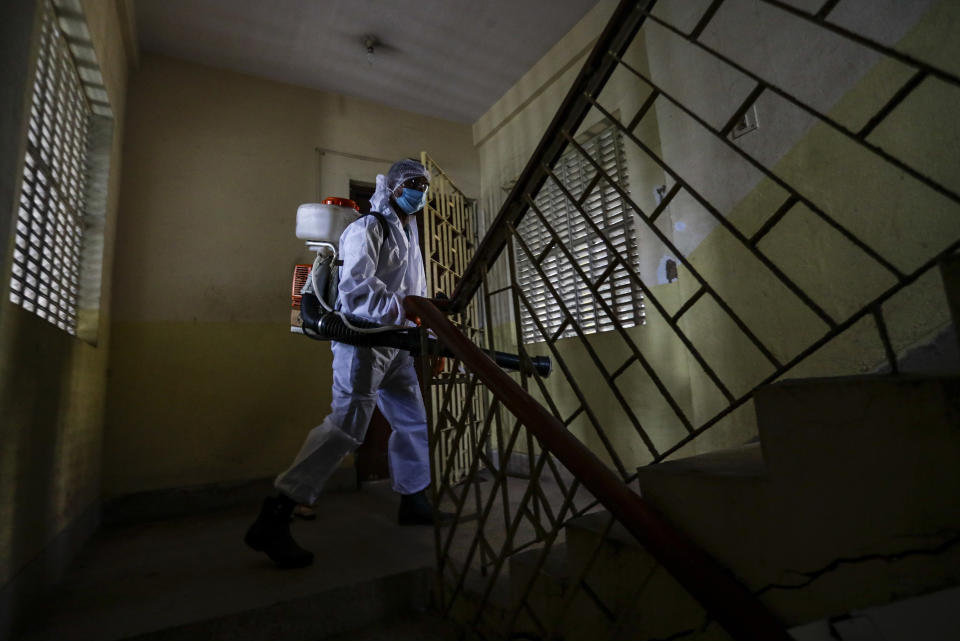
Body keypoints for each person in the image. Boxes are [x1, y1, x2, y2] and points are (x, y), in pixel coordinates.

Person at [245, 158, 447, 569]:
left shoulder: (409, 235)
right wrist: (405, 309)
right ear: (392, 188)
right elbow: (356, 295)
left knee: (413, 422)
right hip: (363, 345)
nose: (420, 192)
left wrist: (429, 341)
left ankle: (414, 499)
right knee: (346, 427)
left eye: (424, 186)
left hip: (397, 347)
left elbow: (417, 295)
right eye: (413, 183)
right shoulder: (366, 229)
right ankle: (277, 513)